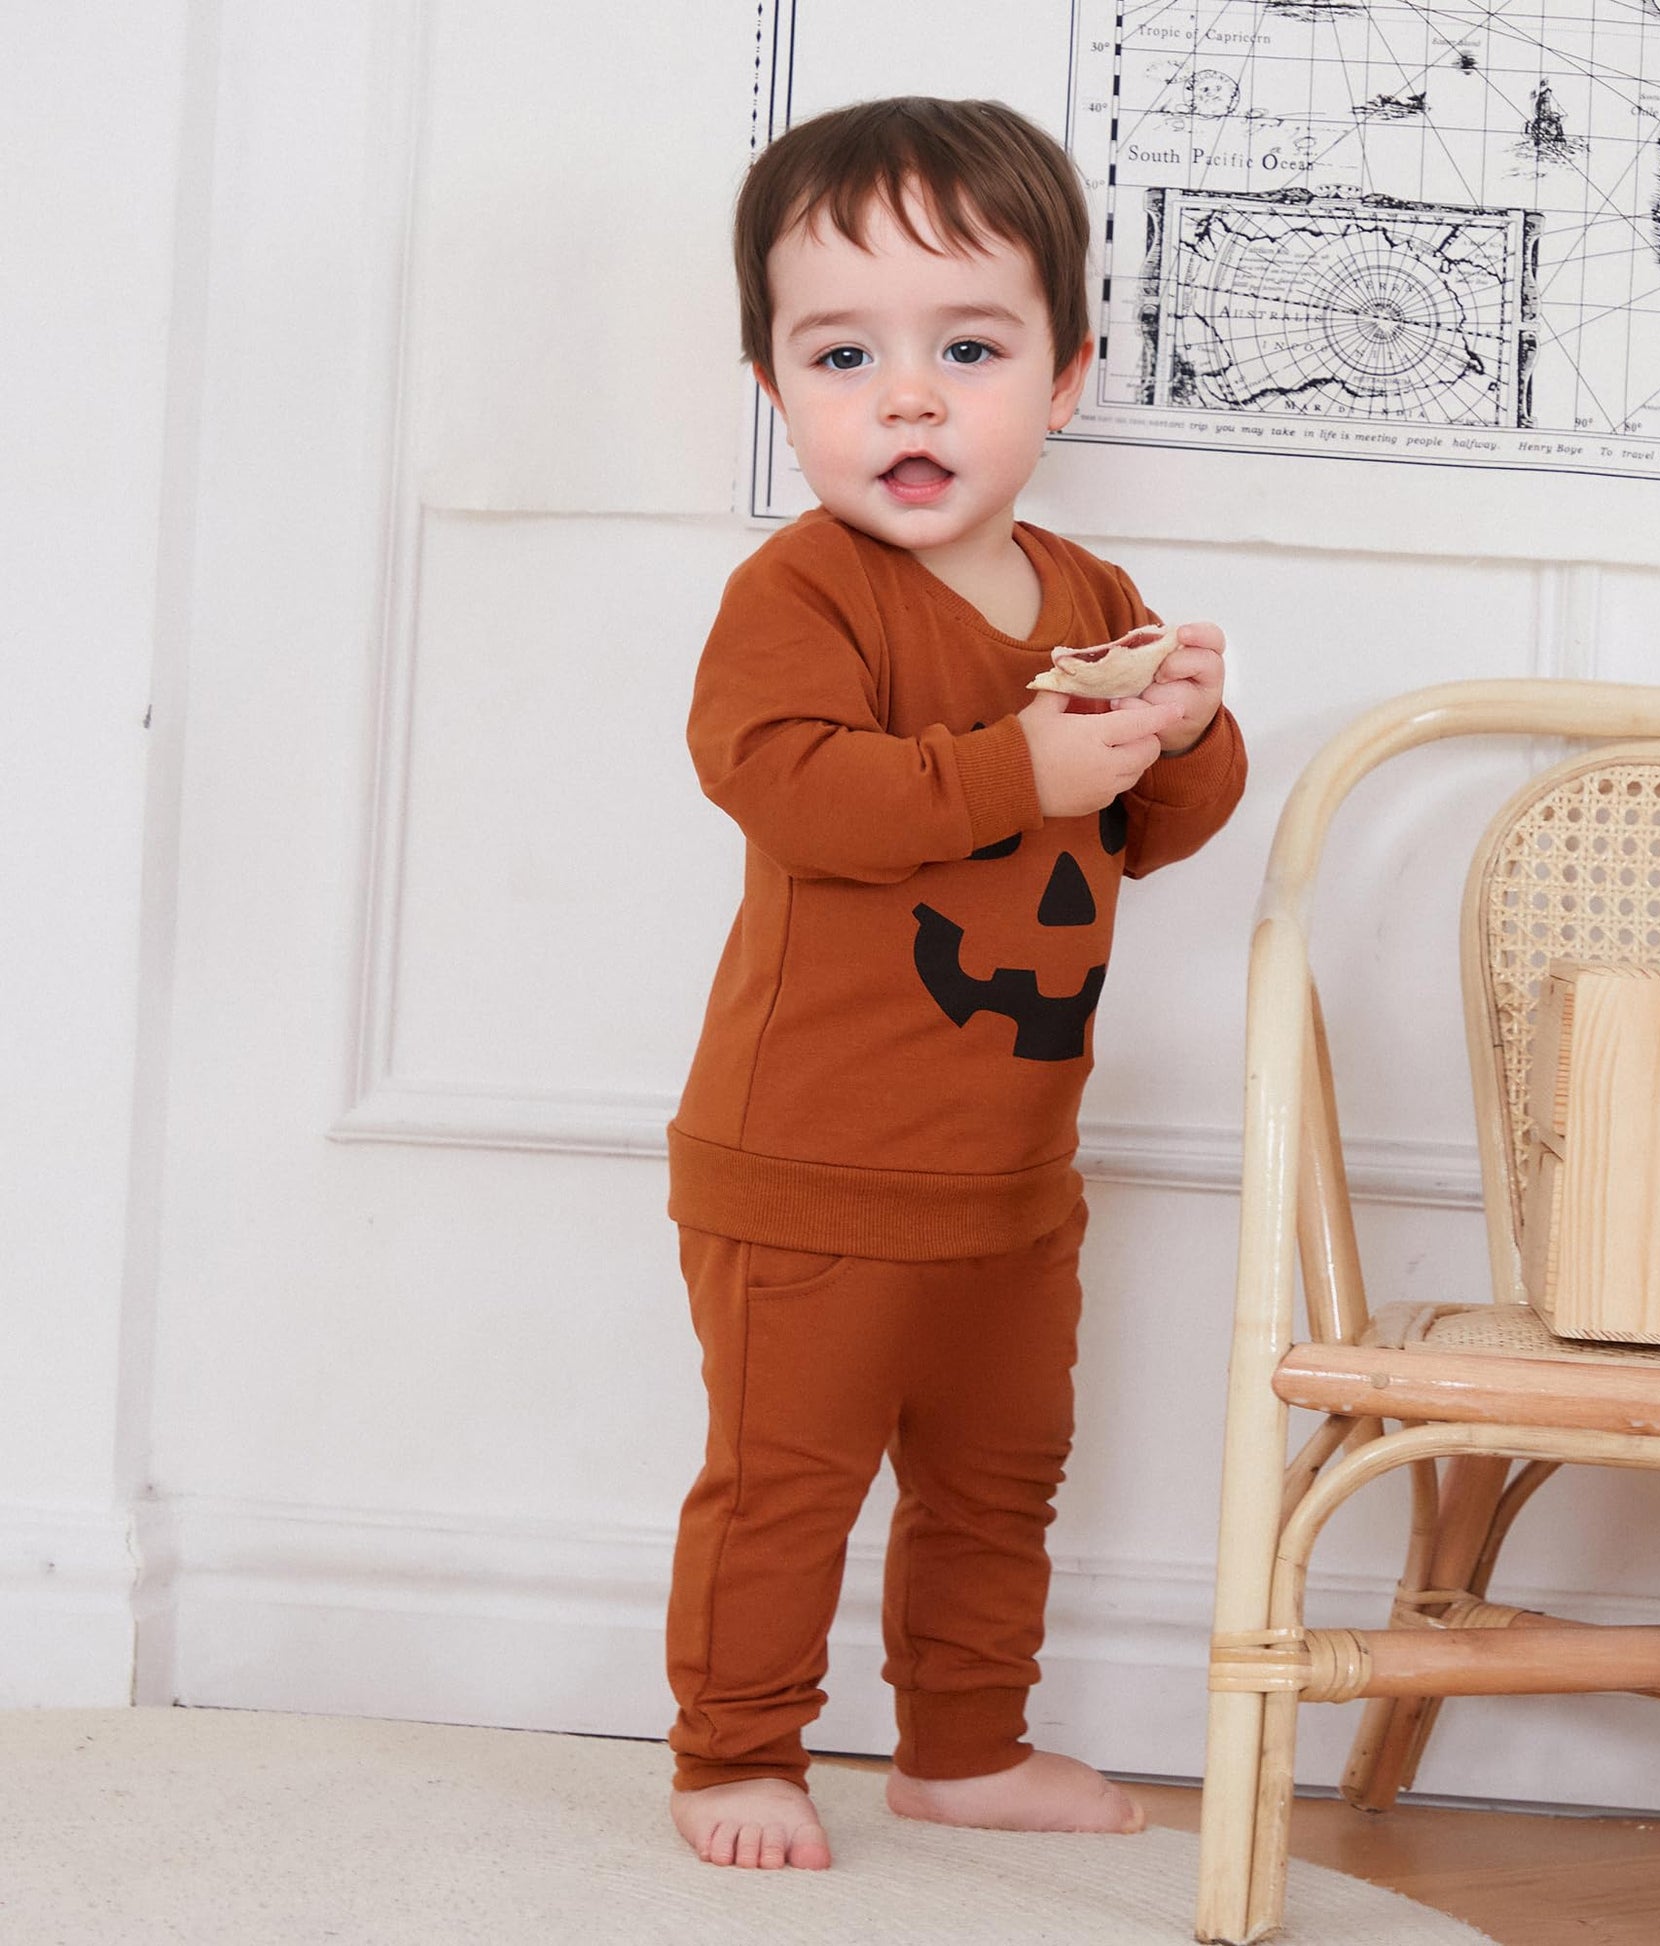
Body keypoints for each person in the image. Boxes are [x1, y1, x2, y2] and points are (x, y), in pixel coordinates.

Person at [664, 95, 1247, 1872]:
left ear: (1063, 379)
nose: (906, 399)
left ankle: (963, 1746)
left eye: (966, 349)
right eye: (844, 353)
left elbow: (1149, 835)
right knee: (788, 1483)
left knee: (1000, 1475)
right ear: (775, 386)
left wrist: (1183, 731)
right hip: (812, 1163)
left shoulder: (1085, 589)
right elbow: (789, 785)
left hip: (1011, 1177)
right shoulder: (801, 592)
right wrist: (1020, 766)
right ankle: (735, 1751)